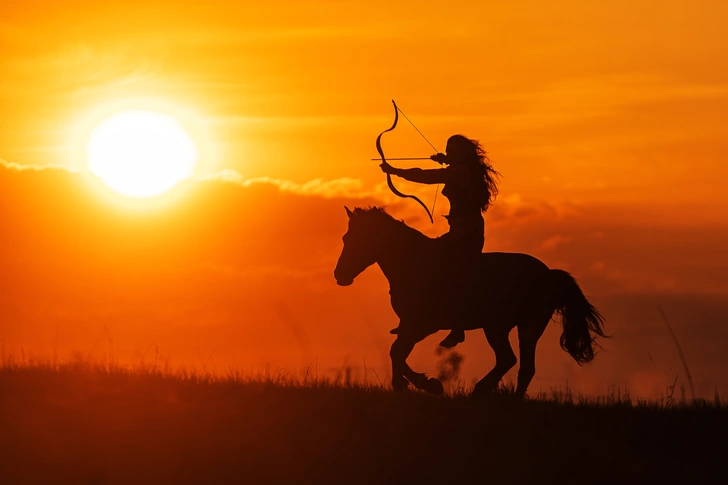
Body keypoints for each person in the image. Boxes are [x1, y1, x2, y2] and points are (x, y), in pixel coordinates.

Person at [380, 134, 500, 347]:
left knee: (451, 271)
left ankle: (457, 327)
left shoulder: (460, 172)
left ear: (463, 154)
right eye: (448, 150)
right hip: (459, 233)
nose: (449, 153)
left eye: (453, 150)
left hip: (467, 235)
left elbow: (429, 176)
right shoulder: (461, 168)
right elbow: (449, 166)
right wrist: (444, 158)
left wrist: (396, 172)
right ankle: (412, 318)